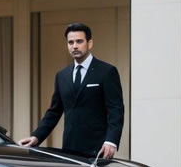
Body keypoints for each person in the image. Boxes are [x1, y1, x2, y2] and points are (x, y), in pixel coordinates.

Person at [18, 23, 124, 159]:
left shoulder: (107, 72)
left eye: (79, 41)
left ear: (89, 43)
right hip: (69, 148)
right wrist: (37, 137)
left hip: (98, 149)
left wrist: (111, 141)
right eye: (70, 42)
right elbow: (54, 112)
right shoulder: (62, 76)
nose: (74, 46)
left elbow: (115, 109)